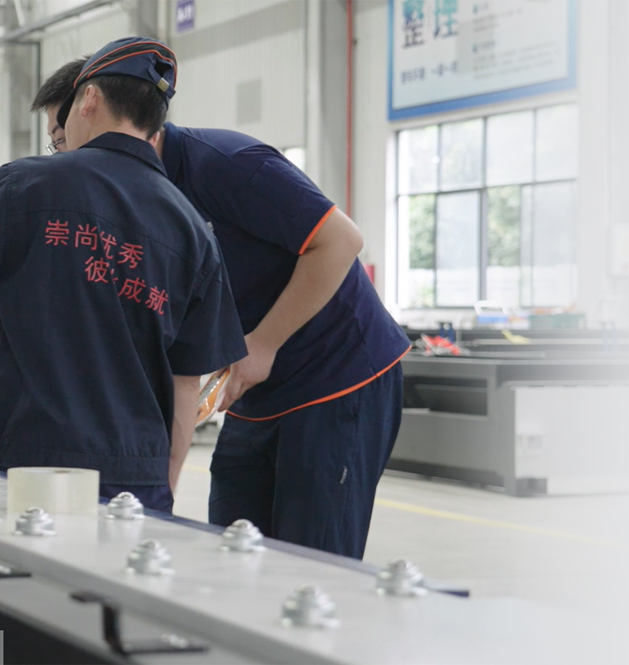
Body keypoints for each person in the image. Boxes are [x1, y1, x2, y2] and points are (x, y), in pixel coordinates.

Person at [35, 60, 412, 559]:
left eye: (61, 140)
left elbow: (341, 242)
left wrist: (264, 343)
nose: (63, 158)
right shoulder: (128, 201)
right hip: (253, 386)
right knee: (236, 549)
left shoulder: (225, 163)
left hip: (337, 377)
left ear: (95, 107)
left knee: (312, 561)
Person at [0, 38, 247, 514]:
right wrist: (162, 491)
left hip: (37, 468)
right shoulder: (193, 230)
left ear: (89, 98)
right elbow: (185, 383)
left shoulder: (28, 184)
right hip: (138, 481)